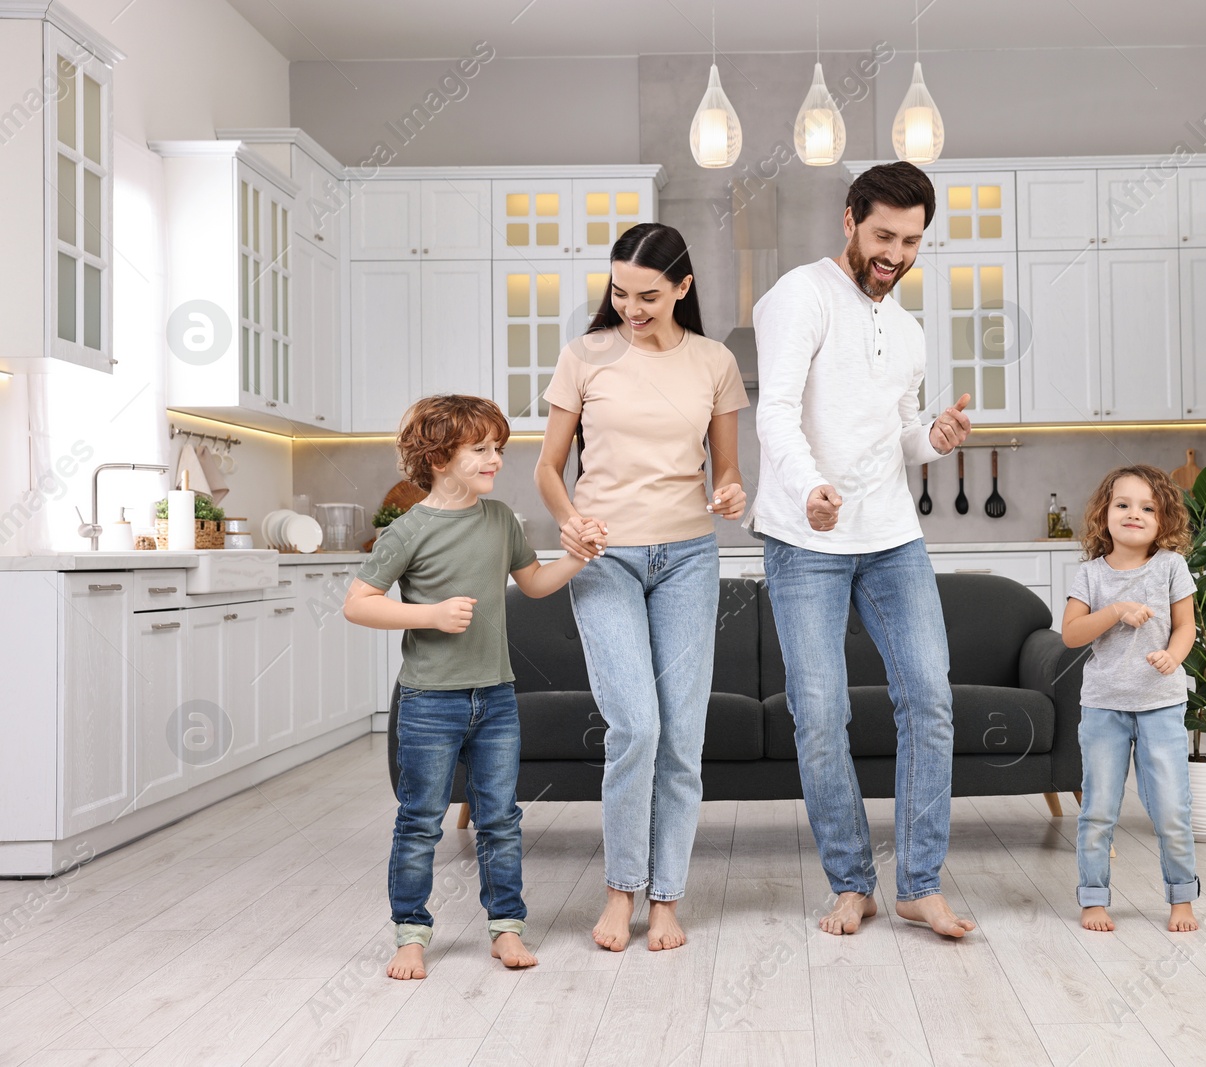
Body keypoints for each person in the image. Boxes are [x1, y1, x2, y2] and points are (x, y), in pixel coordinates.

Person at [745, 161, 976, 938]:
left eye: (911, 241)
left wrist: (933, 441)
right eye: (883, 235)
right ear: (849, 219)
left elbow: (898, 431)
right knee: (820, 713)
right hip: (805, 536)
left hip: (891, 537)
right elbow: (774, 410)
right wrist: (809, 485)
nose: (896, 253)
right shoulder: (799, 296)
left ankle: (917, 882)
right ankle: (852, 882)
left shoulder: (906, 327)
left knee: (930, 700)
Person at [536, 223, 749, 953]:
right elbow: (547, 469)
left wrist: (729, 493)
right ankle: (619, 891)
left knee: (683, 737)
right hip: (605, 559)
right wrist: (571, 523)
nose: (630, 306)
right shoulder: (584, 357)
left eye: (648, 295)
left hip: (689, 556)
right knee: (637, 726)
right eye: (620, 292)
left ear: (683, 288)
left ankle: (666, 900)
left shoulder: (714, 362)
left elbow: (726, 471)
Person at [345, 394, 588, 980]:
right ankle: (411, 934)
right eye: (480, 449)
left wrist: (578, 557)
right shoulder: (407, 532)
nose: (495, 459)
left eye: (497, 449)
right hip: (430, 700)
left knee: (501, 817)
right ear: (437, 457)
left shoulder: (501, 518)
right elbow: (358, 605)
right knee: (421, 818)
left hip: (496, 696)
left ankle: (506, 929)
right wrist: (428, 616)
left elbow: (532, 583)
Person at [1061, 463, 1201, 934]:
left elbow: (1186, 626)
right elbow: (1071, 634)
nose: (1134, 514)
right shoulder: (1089, 576)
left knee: (1171, 809)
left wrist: (1174, 657)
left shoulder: (1171, 567)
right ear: (1105, 514)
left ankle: (1182, 898)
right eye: (1123, 504)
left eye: (1148, 507)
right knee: (1098, 809)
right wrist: (1116, 611)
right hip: (1103, 705)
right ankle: (1093, 899)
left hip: (1161, 703)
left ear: (1163, 521)